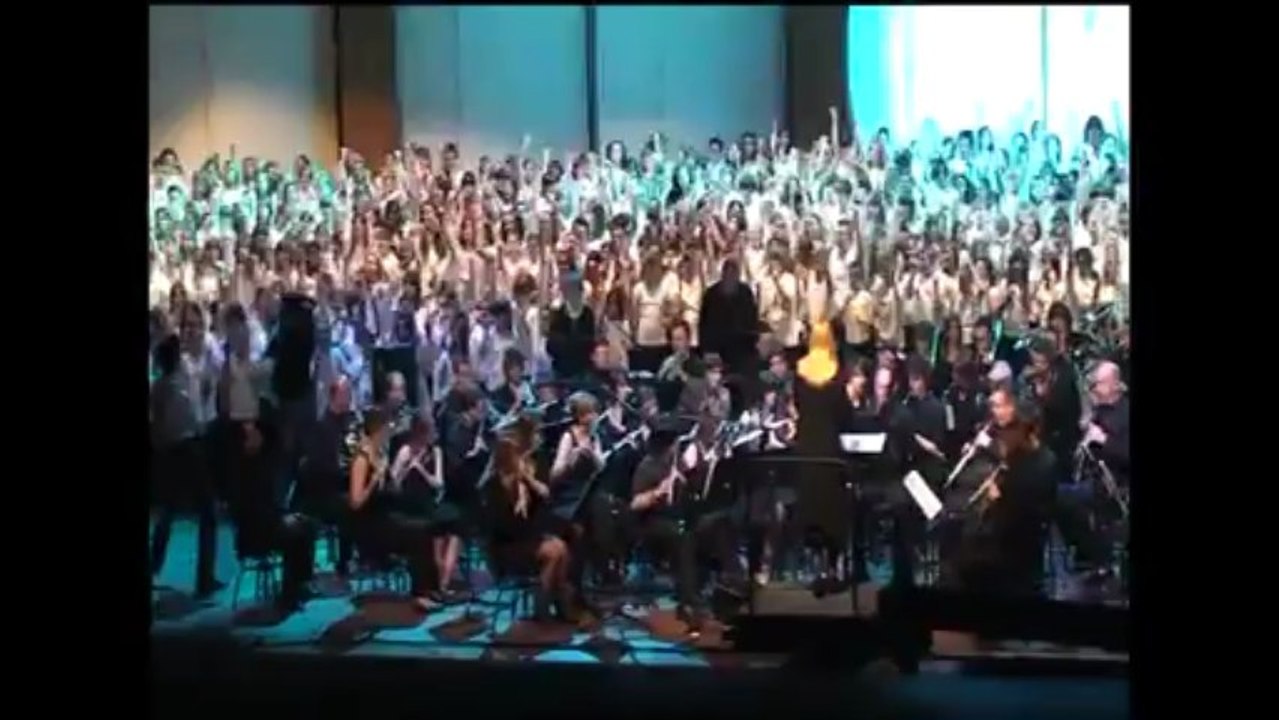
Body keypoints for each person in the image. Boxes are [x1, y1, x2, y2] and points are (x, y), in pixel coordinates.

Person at [942, 384, 1057, 597]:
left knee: (968, 551)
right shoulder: (1017, 457)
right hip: (1006, 527)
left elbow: (1034, 509)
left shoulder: (1043, 461)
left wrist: (999, 497)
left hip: (1020, 537)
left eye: (1013, 431)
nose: (1007, 436)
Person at [347, 407, 443, 611]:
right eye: (389, 427)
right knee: (418, 532)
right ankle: (419, 594)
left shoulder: (380, 454)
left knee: (425, 527)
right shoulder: (362, 458)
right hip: (371, 524)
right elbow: (355, 502)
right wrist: (374, 479)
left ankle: (431, 589)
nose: (391, 431)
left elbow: (391, 490)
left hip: (388, 516)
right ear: (378, 429)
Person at [150, 335, 221, 597]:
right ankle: (204, 579)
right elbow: (191, 421)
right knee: (206, 512)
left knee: (167, 514)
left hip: (169, 454)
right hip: (188, 451)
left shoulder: (159, 387)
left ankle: (154, 566)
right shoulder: (177, 386)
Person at [482, 435, 577, 622]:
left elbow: (545, 496)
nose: (523, 461)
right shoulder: (493, 486)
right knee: (554, 551)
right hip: (505, 548)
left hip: (525, 541)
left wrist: (528, 480)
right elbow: (503, 526)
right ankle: (543, 607)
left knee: (561, 548)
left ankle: (556, 604)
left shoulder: (522, 484)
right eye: (519, 458)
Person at [790, 322, 850, 595]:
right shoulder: (836, 378)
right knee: (831, 511)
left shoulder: (800, 376)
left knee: (811, 508)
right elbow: (844, 416)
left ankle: (815, 567)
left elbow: (800, 406)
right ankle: (833, 568)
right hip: (828, 451)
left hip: (806, 451)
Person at [388, 415, 463, 595]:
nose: (435, 434)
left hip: (429, 501)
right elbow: (392, 483)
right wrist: (407, 468)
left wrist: (421, 469)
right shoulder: (405, 451)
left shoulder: (435, 451)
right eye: (432, 431)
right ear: (422, 433)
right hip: (410, 504)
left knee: (457, 526)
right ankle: (439, 583)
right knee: (439, 529)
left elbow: (439, 483)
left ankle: (443, 581)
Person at [698, 258, 759, 379]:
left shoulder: (745, 293)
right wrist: (706, 350)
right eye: (727, 273)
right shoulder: (711, 294)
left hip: (742, 350)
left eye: (733, 274)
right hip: (716, 350)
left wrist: (752, 345)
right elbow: (703, 324)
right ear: (722, 274)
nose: (730, 277)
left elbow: (753, 321)